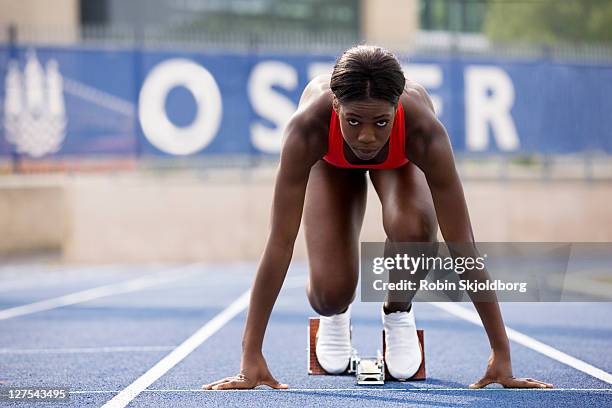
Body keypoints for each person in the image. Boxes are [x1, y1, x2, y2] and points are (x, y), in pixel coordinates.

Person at [202, 45, 553, 390]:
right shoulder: (306, 129)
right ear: (336, 105)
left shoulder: (424, 132)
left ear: (397, 107)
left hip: (399, 163)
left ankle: (397, 312)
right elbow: (279, 243)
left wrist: (500, 354)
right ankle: (336, 313)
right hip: (331, 163)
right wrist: (251, 356)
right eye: (353, 121)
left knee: (414, 228)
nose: (366, 136)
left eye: (381, 122)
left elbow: (463, 247)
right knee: (330, 292)